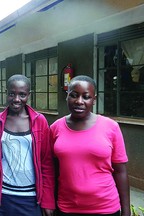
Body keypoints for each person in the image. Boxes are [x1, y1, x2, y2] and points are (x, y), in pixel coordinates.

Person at [50, 75, 130, 216]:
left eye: (86, 97)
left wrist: (126, 210)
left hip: (106, 208)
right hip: (67, 208)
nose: (79, 101)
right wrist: (51, 201)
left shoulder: (111, 127)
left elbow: (120, 171)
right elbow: (52, 169)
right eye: (73, 95)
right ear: (66, 96)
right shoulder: (56, 128)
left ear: (93, 100)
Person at [0, 74, 55, 216]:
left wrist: (48, 200)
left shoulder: (39, 121)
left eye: (22, 94)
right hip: (4, 196)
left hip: (31, 198)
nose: (17, 99)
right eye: (12, 94)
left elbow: (47, 163)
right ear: (6, 93)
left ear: (29, 95)